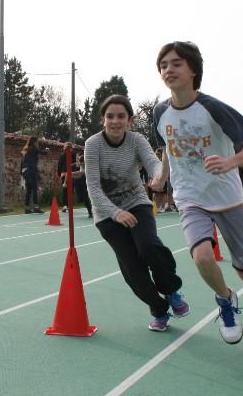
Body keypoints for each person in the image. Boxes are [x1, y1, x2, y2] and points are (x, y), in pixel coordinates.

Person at [152, 41, 243, 360]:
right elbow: (168, 147)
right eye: (163, 65)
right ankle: (225, 300)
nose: (169, 69)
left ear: (193, 69)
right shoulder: (159, 112)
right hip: (190, 198)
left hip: (227, 198)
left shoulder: (213, 107)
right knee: (202, 258)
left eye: (176, 63)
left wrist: (229, 162)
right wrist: (161, 175)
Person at [84, 94, 190, 332]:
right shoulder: (92, 144)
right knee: (133, 269)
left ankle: (171, 290)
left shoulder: (136, 140)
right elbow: (93, 188)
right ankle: (159, 310)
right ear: (103, 120)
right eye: (110, 116)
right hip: (107, 214)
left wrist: (156, 176)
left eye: (121, 116)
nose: (115, 121)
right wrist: (115, 213)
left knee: (148, 246)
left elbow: (152, 162)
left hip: (136, 202)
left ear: (129, 121)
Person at [20, 136, 49, 214]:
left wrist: (21, 173)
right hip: (31, 170)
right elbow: (43, 152)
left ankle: (27, 208)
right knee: (35, 189)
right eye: (37, 142)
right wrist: (47, 149)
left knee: (29, 190)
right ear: (34, 142)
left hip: (25, 171)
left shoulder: (25, 150)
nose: (37, 143)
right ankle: (36, 207)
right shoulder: (34, 148)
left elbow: (22, 162)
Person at [57, 142, 77, 212]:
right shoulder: (65, 155)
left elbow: (59, 165)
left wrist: (59, 174)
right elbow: (59, 165)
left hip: (70, 174)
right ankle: (66, 205)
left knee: (68, 190)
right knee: (68, 190)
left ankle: (67, 205)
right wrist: (59, 174)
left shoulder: (69, 154)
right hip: (66, 174)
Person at [72, 153, 93, 218]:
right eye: (81, 163)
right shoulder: (81, 164)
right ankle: (90, 211)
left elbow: (80, 174)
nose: (81, 164)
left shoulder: (88, 166)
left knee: (86, 197)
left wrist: (72, 174)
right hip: (84, 180)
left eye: (82, 163)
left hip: (90, 180)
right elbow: (78, 166)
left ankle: (91, 211)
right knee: (84, 198)